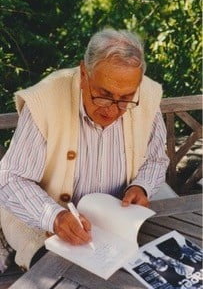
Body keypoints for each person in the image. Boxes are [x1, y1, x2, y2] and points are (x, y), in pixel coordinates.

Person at [0, 28, 169, 269]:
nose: (112, 110)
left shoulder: (146, 96)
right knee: (56, 271)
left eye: (125, 98)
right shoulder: (44, 100)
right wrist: (54, 216)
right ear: (83, 74)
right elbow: (10, 177)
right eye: (104, 95)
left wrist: (141, 185)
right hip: (41, 216)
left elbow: (155, 159)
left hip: (115, 222)